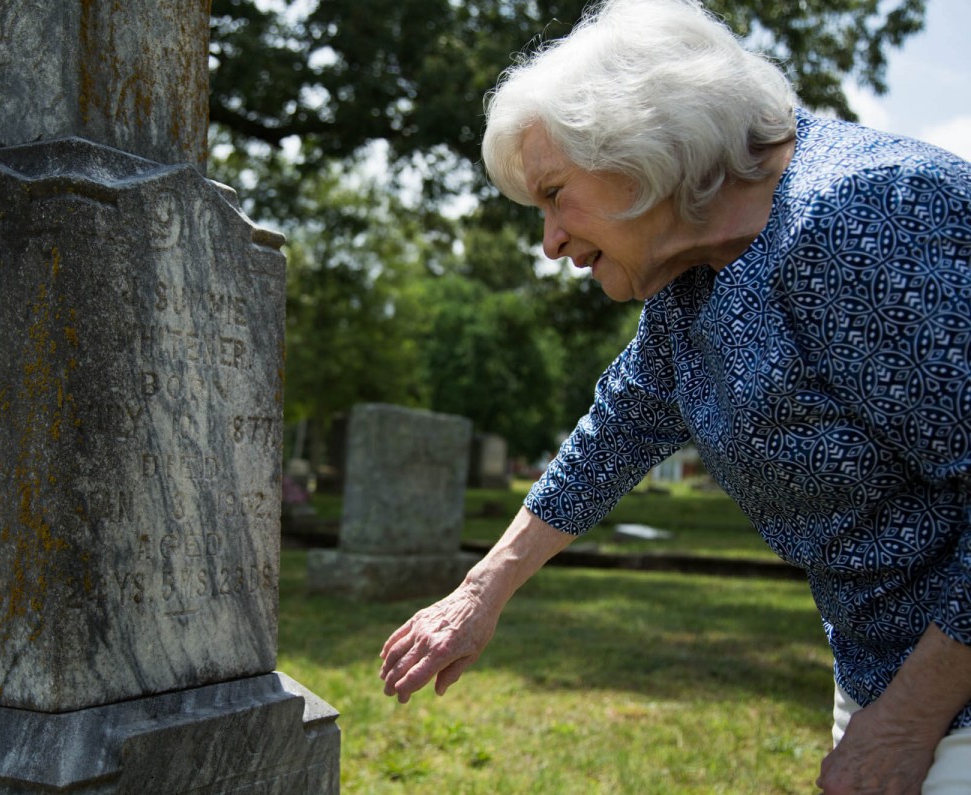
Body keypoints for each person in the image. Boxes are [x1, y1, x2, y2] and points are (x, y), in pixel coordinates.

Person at [376, 0, 971, 792]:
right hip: (894, 674)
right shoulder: (695, 279)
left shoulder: (860, 218)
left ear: (638, 148)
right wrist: (479, 594)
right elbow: (618, 428)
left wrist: (906, 723)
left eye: (555, 193)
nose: (549, 239)